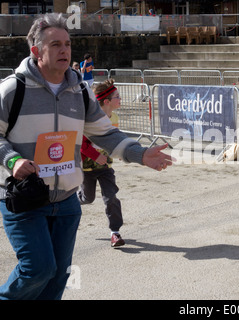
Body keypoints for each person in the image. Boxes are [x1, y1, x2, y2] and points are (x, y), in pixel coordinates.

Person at [0, 13, 174, 300]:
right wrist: (11, 160)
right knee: (37, 270)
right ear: (36, 51)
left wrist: (140, 154)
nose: (64, 50)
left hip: (67, 201)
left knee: (57, 277)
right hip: (25, 199)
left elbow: (105, 133)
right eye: (55, 44)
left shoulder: (79, 91)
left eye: (67, 44)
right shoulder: (12, 89)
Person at [77, 79, 125, 248]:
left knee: (110, 197)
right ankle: (71, 202)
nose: (120, 99)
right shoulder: (89, 119)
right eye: (117, 96)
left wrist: (120, 151)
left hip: (106, 168)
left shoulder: (115, 117)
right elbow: (81, 143)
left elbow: (114, 139)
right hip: (87, 168)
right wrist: (95, 155)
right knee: (87, 198)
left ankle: (115, 232)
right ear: (107, 101)